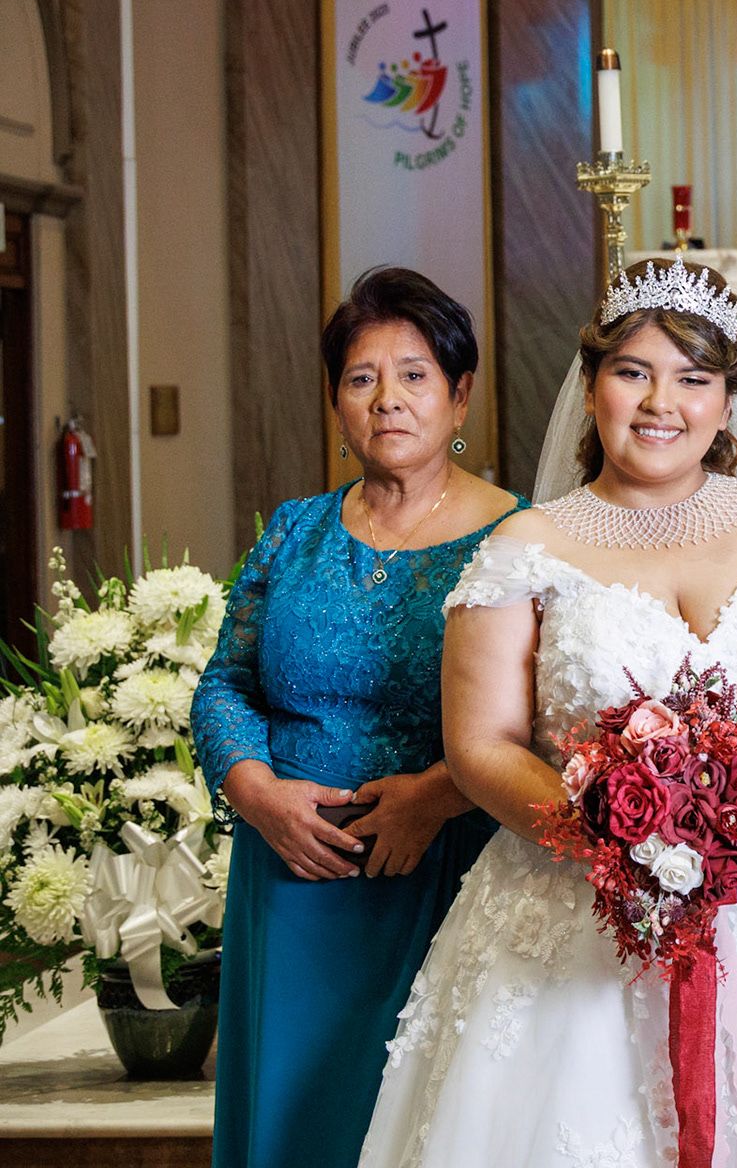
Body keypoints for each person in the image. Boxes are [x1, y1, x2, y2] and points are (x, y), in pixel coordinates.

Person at [356, 258, 737, 1167]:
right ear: (591, 389)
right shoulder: (527, 545)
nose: (663, 403)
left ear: (727, 402)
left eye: (694, 379)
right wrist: (621, 842)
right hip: (580, 907)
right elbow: (480, 746)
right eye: (633, 372)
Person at [192, 267, 525, 1168]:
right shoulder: (294, 530)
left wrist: (439, 796)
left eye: (415, 376)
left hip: (443, 868)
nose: (388, 400)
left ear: (460, 396)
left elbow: (548, 718)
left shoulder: (520, 537)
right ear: (337, 402)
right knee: (292, 1126)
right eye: (361, 378)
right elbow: (225, 683)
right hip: (290, 878)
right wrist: (257, 795)